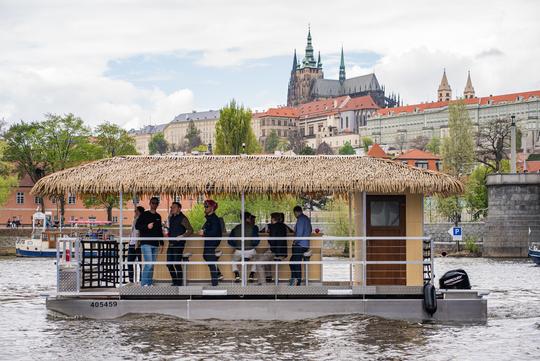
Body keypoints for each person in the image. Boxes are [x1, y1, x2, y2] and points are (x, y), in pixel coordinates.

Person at [135, 197, 164, 286]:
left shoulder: (158, 216)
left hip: (155, 244)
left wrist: (161, 243)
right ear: (150, 203)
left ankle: (149, 282)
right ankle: (144, 284)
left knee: (152, 265)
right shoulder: (144, 214)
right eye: (153, 203)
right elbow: (137, 226)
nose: (154, 205)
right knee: (149, 264)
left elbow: (159, 231)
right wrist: (147, 226)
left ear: (158, 204)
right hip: (146, 243)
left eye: (156, 203)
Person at [256, 212, 289, 284]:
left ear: (273, 218)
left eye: (271, 218)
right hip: (283, 252)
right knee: (266, 258)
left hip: (275, 251)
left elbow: (273, 241)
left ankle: (263, 284)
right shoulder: (283, 226)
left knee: (258, 263)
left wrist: (269, 239)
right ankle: (268, 276)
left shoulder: (273, 227)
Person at [167, 202, 193, 286]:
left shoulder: (183, 218)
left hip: (179, 244)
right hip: (170, 244)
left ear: (179, 208)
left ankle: (179, 283)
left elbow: (190, 230)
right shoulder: (171, 218)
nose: (172, 209)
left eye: (174, 207)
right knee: (168, 264)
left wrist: (182, 236)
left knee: (176, 263)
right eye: (171, 207)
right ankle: (175, 281)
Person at [228, 212, 260, 283]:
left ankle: (236, 274)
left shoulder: (236, 228)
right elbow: (256, 241)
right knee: (256, 258)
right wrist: (252, 246)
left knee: (233, 260)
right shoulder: (254, 227)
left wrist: (236, 246)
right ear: (248, 218)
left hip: (239, 251)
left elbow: (230, 241)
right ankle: (252, 274)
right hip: (250, 250)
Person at [198, 199, 222, 286]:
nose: (205, 208)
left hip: (213, 241)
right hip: (209, 241)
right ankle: (218, 271)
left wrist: (204, 232)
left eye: (207, 206)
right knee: (206, 256)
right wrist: (203, 231)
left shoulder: (214, 219)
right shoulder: (209, 218)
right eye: (204, 206)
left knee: (209, 258)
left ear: (212, 208)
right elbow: (207, 228)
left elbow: (214, 232)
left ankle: (215, 283)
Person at [289, 206, 312, 286]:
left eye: (294, 213)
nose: (295, 215)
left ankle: (297, 281)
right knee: (292, 262)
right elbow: (310, 230)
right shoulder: (306, 219)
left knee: (295, 263)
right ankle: (295, 279)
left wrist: (295, 242)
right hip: (305, 245)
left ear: (296, 212)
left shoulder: (300, 219)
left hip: (300, 245)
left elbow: (300, 233)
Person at [127, 206, 144, 283]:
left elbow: (139, 232)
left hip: (138, 244)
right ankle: (131, 280)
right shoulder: (134, 220)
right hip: (132, 244)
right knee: (129, 262)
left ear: (139, 212)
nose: (135, 212)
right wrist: (130, 241)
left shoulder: (142, 221)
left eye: (136, 211)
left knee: (141, 263)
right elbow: (132, 232)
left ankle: (141, 280)